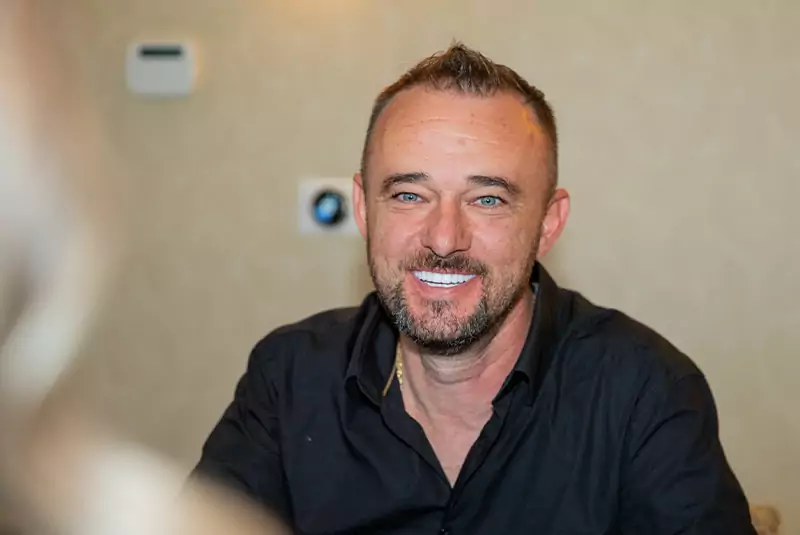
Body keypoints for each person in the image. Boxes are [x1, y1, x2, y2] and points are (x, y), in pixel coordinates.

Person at [192, 43, 757, 535]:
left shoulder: (643, 391)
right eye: (410, 195)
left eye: (487, 199)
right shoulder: (288, 378)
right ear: (364, 208)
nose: (443, 238)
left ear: (548, 224)